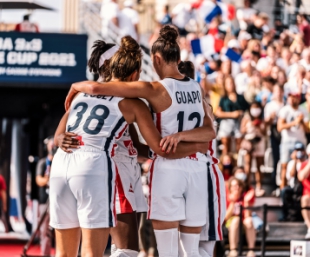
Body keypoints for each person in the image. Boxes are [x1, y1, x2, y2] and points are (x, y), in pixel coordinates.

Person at [65, 25, 216, 257]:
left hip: (164, 169)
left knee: (162, 251)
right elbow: (210, 132)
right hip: (196, 168)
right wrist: (193, 143)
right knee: (193, 250)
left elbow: (96, 87)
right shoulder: (196, 87)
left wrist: (77, 85)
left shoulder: (152, 89)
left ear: (156, 58)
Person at [277, 92, 308, 189]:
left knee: (302, 167)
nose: (292, 100)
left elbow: (307, 130)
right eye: (290, 97)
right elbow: (280, 127)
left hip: (300, 141)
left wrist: (302, 122)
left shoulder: (303, 111)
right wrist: (294, 122)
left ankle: (301, 191)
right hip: (287, 142)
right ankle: (283, 192)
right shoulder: (285, 110)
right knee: (284, 167)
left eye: (294, 98)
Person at [216, 75, 249, 154]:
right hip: (226, 124)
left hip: (238, 124)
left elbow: (247, 110)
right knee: (226, 147)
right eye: (228, 83)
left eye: (232, 83)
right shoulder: (223, 98)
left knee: (239, 147)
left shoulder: (240, 97)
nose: (231, 85)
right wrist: (232, 114)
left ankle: (237, 165)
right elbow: (218, 113)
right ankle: (226, 164)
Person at [225, 174, 256, 257]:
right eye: (234, 186)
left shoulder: (245, 197)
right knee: (236, 220)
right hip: (231, 222)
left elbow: (247, 216)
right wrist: (232, 202)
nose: (237, 188)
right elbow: (225, 217)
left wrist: (246, 202)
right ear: (230, 188)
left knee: (249, 221)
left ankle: (251, 250)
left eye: (239, 185)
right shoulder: (226, 197)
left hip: (243, 222)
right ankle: (233, 250)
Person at [240, 101, 266, 197]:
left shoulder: (262, 119)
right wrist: (249, 125)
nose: (255, 110)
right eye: (253, 107)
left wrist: (259, 126)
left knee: (259, 165)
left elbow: (265, 132)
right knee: (248, 165)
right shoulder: (247, 118)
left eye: (257, 107)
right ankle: (247, 186)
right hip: (249, 143)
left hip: (259, 142)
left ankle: (259, 186)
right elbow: (242, 130)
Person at [36, 137, 56, 255]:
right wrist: (50, 177)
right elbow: (39, 180)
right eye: (50, 144)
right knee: (45, 230)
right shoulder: (43, 163)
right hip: (44, 200)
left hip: (59, 200)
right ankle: (46, 254)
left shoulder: (61, 161)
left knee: (61, 228)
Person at [264, 85, 284, 190]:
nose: (279, 93)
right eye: (276, 91)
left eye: (280, 91)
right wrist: (271, 118)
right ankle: (274, 184)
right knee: (276, 158)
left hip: (285, 133)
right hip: (274, 132)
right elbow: (266, 122)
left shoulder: (286, 104)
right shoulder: (270, 105)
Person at [297, 143, 310, 238]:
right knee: (305, 200)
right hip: (308, 196)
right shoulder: (304, 165)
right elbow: (301, 177)